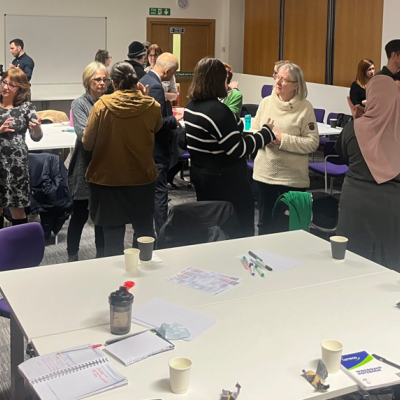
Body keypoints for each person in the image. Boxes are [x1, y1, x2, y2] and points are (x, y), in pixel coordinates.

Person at [185, 57, 276, 237]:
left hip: (202, 176)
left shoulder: (191, 106)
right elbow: (238, 149)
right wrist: (266, 134)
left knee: (210, 224)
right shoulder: (218, 111)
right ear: (218, 80)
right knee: (237, 228)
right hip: (226, 181)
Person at [82, 62, 162, 256]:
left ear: (114, 83)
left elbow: (87, 143)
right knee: (144, 231)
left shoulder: (102, 106)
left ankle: (115, 282)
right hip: (142, 177)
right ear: (136, 82)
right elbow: (157, 127)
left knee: (113, 236)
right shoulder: (152, 105)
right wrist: (143, 97)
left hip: (108, 179)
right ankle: (148, 275)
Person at [335, 76, 400, 271]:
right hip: (393, 206)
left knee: (351, 262)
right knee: (389, 263)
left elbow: (342, 154)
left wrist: (357, 120)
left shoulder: (353, 128)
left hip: (355, 202)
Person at [252, 62, 319, 235]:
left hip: (292, 179)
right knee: (264, 224)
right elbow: (253, 131)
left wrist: (282, 139)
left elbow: (312, 143)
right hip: (265, 175)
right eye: (277, 78)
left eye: (284, 79)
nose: (278, 82)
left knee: (289, 228)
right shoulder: (266, 103)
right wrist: (263, 137)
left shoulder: (305, 108)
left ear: (296, 85)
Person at [67, 62, 109, 261]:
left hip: (105, 167)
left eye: (105, 79)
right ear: (88, 81)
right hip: (84, 167)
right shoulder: (79, 104)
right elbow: (84, 136)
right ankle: (72, 255)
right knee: (80, 215)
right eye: (97, 79)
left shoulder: (110, 101)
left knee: (102, 217)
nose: (102, 83)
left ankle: (102, 256)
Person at [140, 53, 183, 234]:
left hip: (146, 149)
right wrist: (175, 120)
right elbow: (155, 122)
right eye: (173, 73)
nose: (173, 76)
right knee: (159, 193)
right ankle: (163, 233)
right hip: (157, 149)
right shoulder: (156, 87)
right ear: (166, 71)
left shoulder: (144, 78)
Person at [0, 68, 42, 228]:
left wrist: (36, 128)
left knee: (18, 209)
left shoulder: (27, 107)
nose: (6, 87)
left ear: (20, 89)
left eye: (12, 85)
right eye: (4, 82)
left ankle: (18, 248)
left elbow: (36, 137)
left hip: (16, 167)